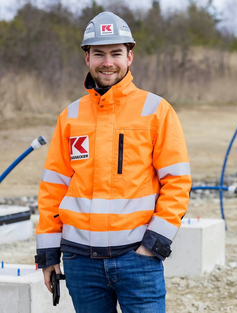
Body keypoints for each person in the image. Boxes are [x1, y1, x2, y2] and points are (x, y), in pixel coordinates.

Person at [35, 11, 192, 313]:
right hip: (81, 265)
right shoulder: (70, 117)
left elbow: (177, 182)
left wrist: (153, 244)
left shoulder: (156, 110)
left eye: (116, 53)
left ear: (130, 57)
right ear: (87, 59)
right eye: (99, 54)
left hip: (138, 261)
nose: (108, 62)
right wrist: (48, 256)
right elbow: (53, 188)